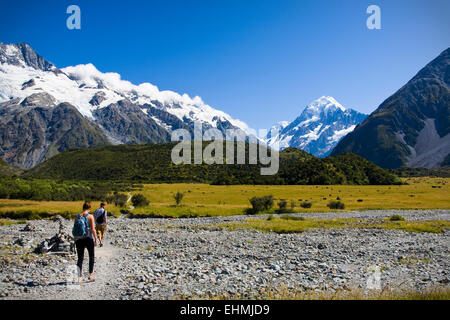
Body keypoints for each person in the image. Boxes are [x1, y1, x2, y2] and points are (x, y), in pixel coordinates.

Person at [74, 202, 97, 282]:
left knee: (80, 258)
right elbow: (93, 229)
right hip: (88, 238)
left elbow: (75, 228)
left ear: (83, 208)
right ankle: (90, 275)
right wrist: (96, 239)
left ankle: (79, 277)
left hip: (79, 239)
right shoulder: (90, 216)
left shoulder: (77, 216)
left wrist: (75, 239)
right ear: (89, 208)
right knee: (91, 256)